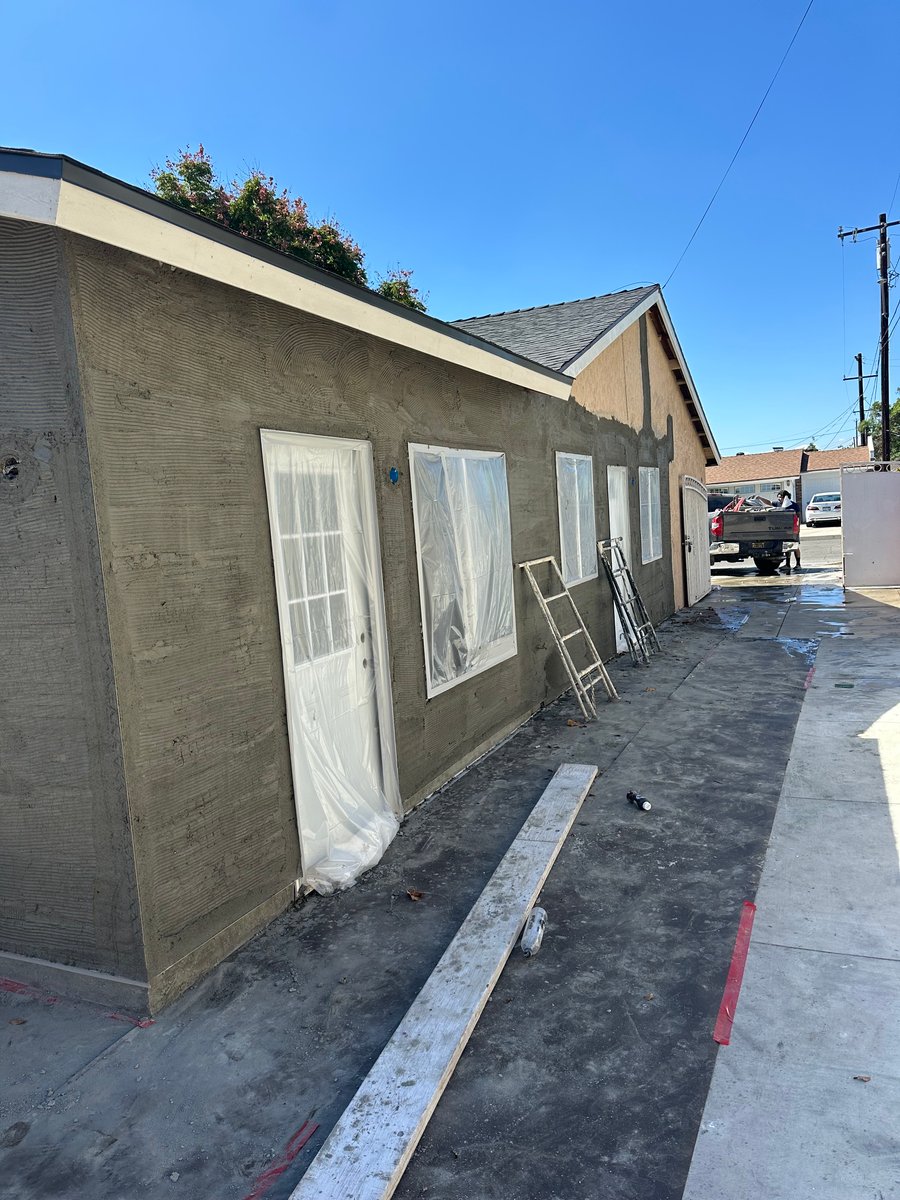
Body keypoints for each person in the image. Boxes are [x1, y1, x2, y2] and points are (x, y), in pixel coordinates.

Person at [776, 490, 801, 572]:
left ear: (785, 497)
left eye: (780, 497)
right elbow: (769, 502)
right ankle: (788, 564)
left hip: (793, 529)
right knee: (787, 546)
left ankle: (798, 564)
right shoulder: (779, 504)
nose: (779, 499)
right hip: (784, 530)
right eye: (778, 497)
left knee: (795, 546)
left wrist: (798, 528)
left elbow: (798, 516)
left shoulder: (794, 505)